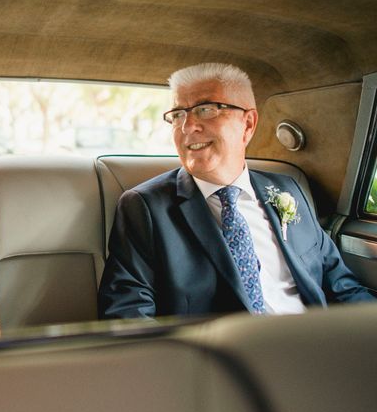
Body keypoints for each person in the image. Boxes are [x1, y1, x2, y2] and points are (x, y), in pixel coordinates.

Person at [98, 62, 375, 319]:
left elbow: (341, 285)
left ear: (248, 124)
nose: (187, 126)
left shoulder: (287, 189)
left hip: (315, 346)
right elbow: (129, 311)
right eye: (178, 114)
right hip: (220, 363)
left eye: (205, 109)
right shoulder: (145, 207)